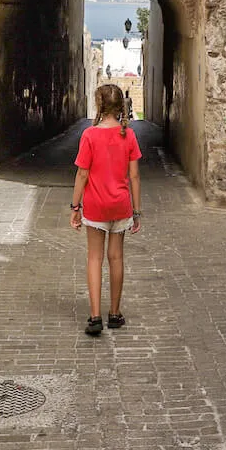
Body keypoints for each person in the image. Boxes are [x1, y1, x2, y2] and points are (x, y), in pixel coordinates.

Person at [70, 83, 142, 336]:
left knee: (94, 258)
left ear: (99, 105)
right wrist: (136, 211)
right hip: (120, 205)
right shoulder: (128, 135)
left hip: (95, 205)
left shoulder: (89, 135)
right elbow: (134, 176)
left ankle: (95, 317)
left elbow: (82, 174)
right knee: (116, 257)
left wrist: (75, 206)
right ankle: (114, 313)